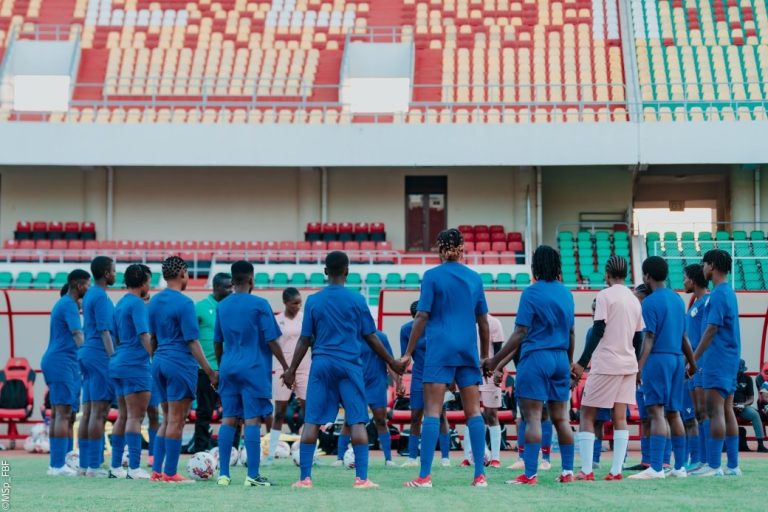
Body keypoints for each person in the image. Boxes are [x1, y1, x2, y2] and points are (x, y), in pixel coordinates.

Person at [283, 251, 405, 489]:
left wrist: (291, 370)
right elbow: (370, 336)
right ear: (347, 272)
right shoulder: (357, 300)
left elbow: (305, 339)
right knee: (358, 421)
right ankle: (361, 479)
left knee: (312, 421)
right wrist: (392, 362)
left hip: (322, 365)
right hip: (349, 365)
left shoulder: (314, 300)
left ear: (325, 272)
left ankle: (304, 479)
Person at [401, 229, 491, 488]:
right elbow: (483, 322)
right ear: (463, 248)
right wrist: (484, 356)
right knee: (473, 411)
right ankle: (480, 476)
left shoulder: (431, 276)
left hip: (439, 349)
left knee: (431, 411)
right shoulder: (475, 278)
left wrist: (408, 353)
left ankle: (425, 476)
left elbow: (421, 316)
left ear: (440, 249)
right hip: (467, 351)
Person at [483, 245, 576, 486]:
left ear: (535, 267)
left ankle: (530, 474)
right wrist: (568, 363)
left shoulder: (531, 293)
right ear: (557, 266)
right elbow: (572, 332)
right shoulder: (567, 293)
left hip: (536, 358)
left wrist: (494, 360)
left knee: (532, 418)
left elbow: (520, 333)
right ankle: (567, 471)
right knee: (561, 419)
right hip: (560, 358)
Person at [214, 260, 288, 487]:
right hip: (253, 368)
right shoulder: (260, 304)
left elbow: (217, 341)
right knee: (252, 420)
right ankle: (252, 475)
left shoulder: (222, 306)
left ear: (233, 280)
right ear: (251, 279)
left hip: (229, 367)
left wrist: (221, 368)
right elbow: (272, 340)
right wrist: (287, 367)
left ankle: (224, 475)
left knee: (228, 419)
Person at [571, 256, 643, 481]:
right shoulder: (634, 300)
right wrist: (637, 364)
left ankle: (586, 470)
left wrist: (582, 363)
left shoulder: (604, 295)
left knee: (587, 414)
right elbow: (639, 338)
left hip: (607, 364)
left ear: (607, 274)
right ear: (626, 274)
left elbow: (598, 329)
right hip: (628, 364)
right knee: (620, 416)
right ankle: (616, 471)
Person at [148, 256, 218, 483]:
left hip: (158, 361)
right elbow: (192, 341)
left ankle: (157, 471)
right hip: (179, 363)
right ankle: (170, 473)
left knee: (167, 419)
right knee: (177, 421)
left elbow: (153, 338)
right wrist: (209, 371)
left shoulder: (154, 302)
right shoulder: (185, 303)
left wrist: (155, 361)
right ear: (183, 274)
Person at [629, 256, 697, 480]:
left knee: (656, 412)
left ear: (647, 276)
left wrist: (639, 367)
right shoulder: (678, 300)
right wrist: (693, 363)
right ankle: (679, 468)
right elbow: (684, 337)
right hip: (678, 359)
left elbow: (649, 338)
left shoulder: (649, 302)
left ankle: (656, 468)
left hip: (658, 360)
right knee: (674, 413)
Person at [690, 249, 742, 477]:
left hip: (718, 358)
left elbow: (711, 329)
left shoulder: (719, 294)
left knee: (715, 410)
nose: (702, 269)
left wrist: (694, 359)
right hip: (729, 359)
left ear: (711, 266)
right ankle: (732, 466)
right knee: (727, 409)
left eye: (704, 264)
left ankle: (713, 465)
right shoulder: (727, 292)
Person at [41, 269, 90, 476]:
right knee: (61, 414)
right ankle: (56, 465)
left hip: (67, 363)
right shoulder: (68, 303)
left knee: (67, 415)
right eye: (87, 285)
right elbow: (78, 335)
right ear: (79, 286)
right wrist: (90, 358)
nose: (89, 289)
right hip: (60, 362)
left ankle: (66, 461)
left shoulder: (68, 305)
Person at [109, 264, 153, 479]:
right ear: (143, 281)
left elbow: (116, 336)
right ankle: (134, 468)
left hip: (118, 362)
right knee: (137, 417)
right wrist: (156, 355)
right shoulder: (137, 304)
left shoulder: (121, 303)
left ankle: (116, 466)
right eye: (149, 281)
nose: (150, 286)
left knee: (123, 415)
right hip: (135, 364)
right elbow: (144, 335)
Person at [398, 301, 451, 468]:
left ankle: (445, 457)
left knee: (440, 415)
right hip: (418, 375)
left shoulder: (437, 327)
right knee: (415, 416)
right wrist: (400, 381)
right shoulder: (406, 330)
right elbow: (404, 357)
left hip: (437, 374)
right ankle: (412, 457)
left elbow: (447, 353)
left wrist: (451, 379)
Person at [78, 256, 117, 477]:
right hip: (99, 355)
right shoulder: (101, 297)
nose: (115, 274)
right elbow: (105, 332)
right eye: (113, 270)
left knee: (88, 412)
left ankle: (84, 465)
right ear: (105, 272)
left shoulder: (90, 293)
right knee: (99, 412)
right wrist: (114, 360)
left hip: (86, 353)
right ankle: (93, 466)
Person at [336, 328, 397, 467]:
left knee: (381, 420)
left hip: (376, 384)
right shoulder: (350, 335)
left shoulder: (381, 337)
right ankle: (340, 458)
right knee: (349, 421)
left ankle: (388, 459)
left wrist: (398, 382)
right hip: (356, 384)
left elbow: (390, 361)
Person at [192, 272, 233, 453]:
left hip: (229, 369)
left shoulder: (232, 306)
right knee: (204, 412)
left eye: (232, 286)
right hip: (205, 369)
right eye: (227, 287)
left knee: (232, 411)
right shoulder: (199, 307)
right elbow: (190, 337)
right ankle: (200, 450)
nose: (231, 290)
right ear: (216, 287)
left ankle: (232, 450)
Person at [267, 287, 309, 464]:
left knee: (309, 412)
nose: (298, 306)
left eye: (300, 303)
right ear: (285, 303)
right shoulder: (276, 321)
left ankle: (309, 454)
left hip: (304, 368)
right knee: (280, 412)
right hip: (282, 371)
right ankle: (270, 453)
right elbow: (272, 344)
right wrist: (286, 368)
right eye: (294, 303)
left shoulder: (305, 319)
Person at [683, 264, 710, 470]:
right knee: (696, 414)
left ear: (693, 279)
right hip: (691, 364)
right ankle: (699, 459)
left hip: (701, 364)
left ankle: (709, 460)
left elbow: (707, 335)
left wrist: (695, 361)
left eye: (685, 278)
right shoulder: (695, 304)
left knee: (704, 412)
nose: (683, 282)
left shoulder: (707, 302)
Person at [626, 283, 652, 471]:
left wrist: (639, 368)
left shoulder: (651, 315)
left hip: (649, 371)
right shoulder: (637, 319)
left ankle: (660, 460)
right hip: (640, 373)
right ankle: (646, 459)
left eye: (637, 298)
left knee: (656, 415)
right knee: (645, 417)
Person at [733, 359, 767, 452]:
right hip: (727, 406)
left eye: (741, 370)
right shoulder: (727, 377)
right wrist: (731, 405)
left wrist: (742, 405)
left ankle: (760, 445)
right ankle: (723, 445)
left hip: (743, 406)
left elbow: (751, 399)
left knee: (755, 414)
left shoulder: (747, 379)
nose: (739, 372)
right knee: (718, 414)